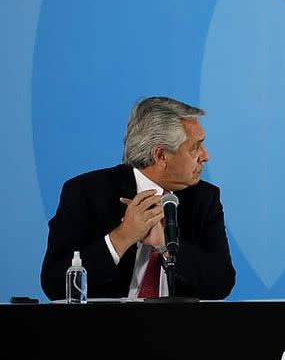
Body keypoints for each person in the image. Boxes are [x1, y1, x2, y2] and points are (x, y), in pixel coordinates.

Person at [41, 97, 236, 300]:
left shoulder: (204, 198)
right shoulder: (86, 192)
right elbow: (54, 284)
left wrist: (165, 244)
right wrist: (123, 236)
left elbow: (221, 283)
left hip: (177, 328)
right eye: (195, 147)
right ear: (161, 156)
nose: (205, 156)